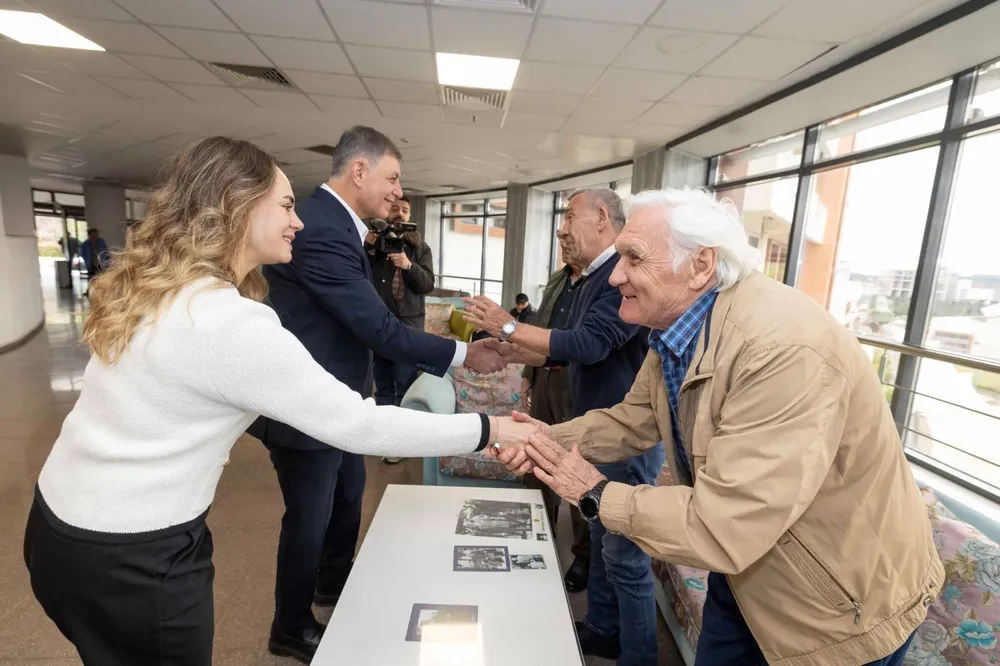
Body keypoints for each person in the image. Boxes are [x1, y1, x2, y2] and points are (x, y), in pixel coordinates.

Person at [22, 136, 533, 666]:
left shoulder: (162, 289)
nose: (298, 222)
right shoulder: (230, 321)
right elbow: (357, 425)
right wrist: (490, 430)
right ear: (239, 207)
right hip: (131, 556)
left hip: (59, 527)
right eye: (286, 206)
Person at [497, 188, 944, 666]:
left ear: (700, 264)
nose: (616, 276)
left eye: (633, 258)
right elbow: (632, 420)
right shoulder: (679, 328)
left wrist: (595, 493)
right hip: (747, 574)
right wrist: (541, 438)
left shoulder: (783, 349)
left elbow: (725, 522)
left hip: (834, 605)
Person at [247, 126, 505, 663]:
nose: (397, 190)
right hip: (306, 405)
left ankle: (333, 587)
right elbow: (376, 326)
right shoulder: (321, 228)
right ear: (359, 171)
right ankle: (289, 625)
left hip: (342, 397)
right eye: (393, 177)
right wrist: (462, 354)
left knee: (347, 497)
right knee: (310, 517)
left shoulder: (342, 226)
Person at [463, 187, 661, 666]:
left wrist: (509, 326)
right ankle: (602, 630)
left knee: (625, 558)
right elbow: (568, 348)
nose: (562, 228)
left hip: (626, 437)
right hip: (599, 429)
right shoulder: (590, 279)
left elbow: (590, 344)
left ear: (601, 217)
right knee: (603, 542)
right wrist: (515, 350)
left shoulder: (619, 279)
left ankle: (639, 655)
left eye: (570, 215)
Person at [516, 267, 589, 593]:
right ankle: (540, 533)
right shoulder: (558, 280)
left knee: (574, 461)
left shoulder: (602, 280)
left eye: (570, 241)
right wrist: (528, 374)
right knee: (538, 455)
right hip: (544, 375)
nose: (565, 241)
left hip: (575, 381)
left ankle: (583, 555)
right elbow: (539, 330)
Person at [365, 195, 436, 465]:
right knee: (382, 385)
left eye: (405, 210)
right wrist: (370, 248)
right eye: (395, 208)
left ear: (410, 216)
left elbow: (427, 284)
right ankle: (383, 438)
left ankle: (402, 442)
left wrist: (408, 265)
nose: (400, 213)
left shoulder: (421, 247)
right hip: (380, 324)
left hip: (409, 327)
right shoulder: (376, 243)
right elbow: (361, 276)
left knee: (404, 386)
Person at [79, 228, 108, 295]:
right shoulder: (85, 244)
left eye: (96, 233)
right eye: (93, 234)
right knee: (91, 277)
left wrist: (106, 260)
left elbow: (105, 251)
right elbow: (82, 253)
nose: (95, 235)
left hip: (100, 262)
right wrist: (86, 260)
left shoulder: (101, 241)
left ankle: (101, 290)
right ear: (89, 235)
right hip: (90, 263)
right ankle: (90, 290)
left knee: (100, 277)